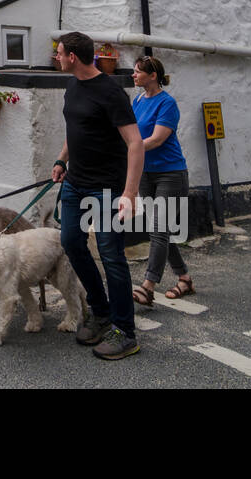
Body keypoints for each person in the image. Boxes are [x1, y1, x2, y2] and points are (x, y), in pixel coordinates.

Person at [51, 31, 146, 360]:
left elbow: (135, 143)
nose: (56, 58)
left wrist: (129, 193)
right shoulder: (72, 86)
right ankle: (101, 310)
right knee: (72, 243)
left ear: (73, 56)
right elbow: (75, 128)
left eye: (59, 53)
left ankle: (125, 332)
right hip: (76, 183)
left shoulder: (111, 92)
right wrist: (63, 159)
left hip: (108, 189)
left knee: (111, 255)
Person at [130, 56, 195, 305]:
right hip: (146, 174)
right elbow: (133, 134)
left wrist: (129, 150)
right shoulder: (137, 100)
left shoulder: (167, 103)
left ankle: (148, 286)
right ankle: (184, 278)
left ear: (153, 75)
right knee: (160, 230)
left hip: (171, 174)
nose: (134, 75)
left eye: (138, 72)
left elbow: (156, 139)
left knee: (158, 229)